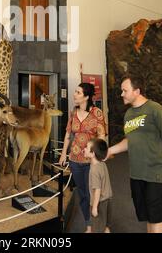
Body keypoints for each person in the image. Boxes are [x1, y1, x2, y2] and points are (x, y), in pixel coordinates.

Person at [107, 74, 162, 233]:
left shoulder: (154, 109)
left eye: (125, 90)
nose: (121, 94)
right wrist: (110, 150)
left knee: (156, 219)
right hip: (137, 175)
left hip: (157, 175)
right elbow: (129, 141)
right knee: (148, 218)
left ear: (137, 91)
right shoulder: (129, 114)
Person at [59, 83, 106, 233]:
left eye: (77, 92)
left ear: (86, 96)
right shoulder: (73, 112)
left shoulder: (97, 113)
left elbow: (102, 136)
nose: (74, 94)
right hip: (74, 161)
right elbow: (67, 135)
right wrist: (63, 153)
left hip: (91, 162)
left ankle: (101, 224)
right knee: (83, 194)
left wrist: (99, 156)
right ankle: (89, 225)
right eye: (75, 91)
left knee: (93, 193)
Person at [84, 138, 112, 233]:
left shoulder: (94, 170)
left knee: (97, 229)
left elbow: (97, 190)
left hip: (99, 203)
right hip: (107, 200)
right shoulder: (102, 164)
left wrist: (95, 207)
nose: (84, 149)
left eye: (86, 148)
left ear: (93, 154)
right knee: (105, 226)